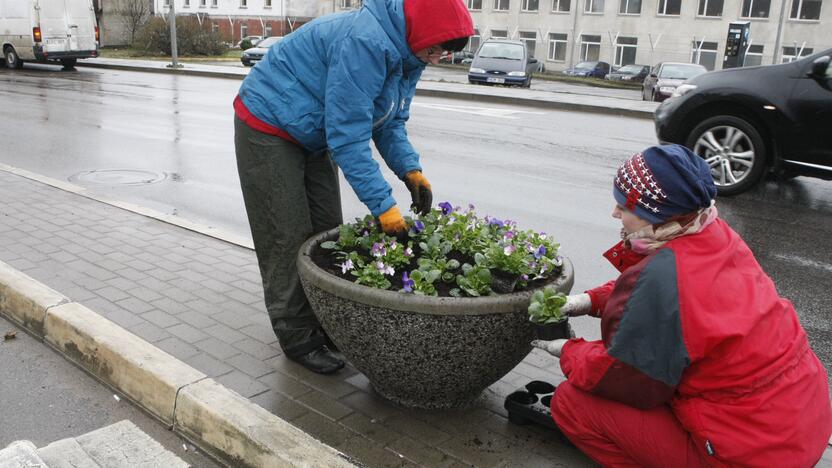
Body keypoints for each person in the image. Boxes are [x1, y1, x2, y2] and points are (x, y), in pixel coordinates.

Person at [532, 144, 832, 466]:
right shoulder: (712, 232)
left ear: (655, 215)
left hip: (748, 454)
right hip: (797, 426)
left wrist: (568, 351)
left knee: (572, 403)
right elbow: (672, 297)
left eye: (623, 206)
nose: (615, 213)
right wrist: (589, 300)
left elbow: (624, 379)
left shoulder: (664, 278)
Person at [233, 0, 473, 374]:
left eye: (446, 52)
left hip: (314, 130)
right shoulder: (365, 42)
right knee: (287, 235)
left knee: (326, 233)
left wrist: (411, 170)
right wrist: (384, 206)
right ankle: (298, 337)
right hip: (270, 124)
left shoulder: (410, 53)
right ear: (422, 32)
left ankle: (324, 323)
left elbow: (388, 121)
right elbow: (348, 137)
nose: (439, 58)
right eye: (437, 48)